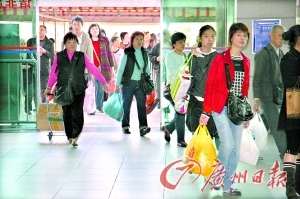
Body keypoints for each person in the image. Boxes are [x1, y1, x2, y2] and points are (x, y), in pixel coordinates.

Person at [199, 22, 251, 195]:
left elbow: (244, 89)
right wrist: (206, 111)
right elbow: (210, 85)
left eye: (245, 35)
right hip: (220, 107)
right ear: (231, 37)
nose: (242, 38)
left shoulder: (246, 61)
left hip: (237, 110)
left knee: (235, 148)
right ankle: (216, 176)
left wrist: (245, 115)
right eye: (239, 34)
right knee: (227, 144)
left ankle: (228, 185)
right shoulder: (220, 59)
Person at [43, 32, 108, 147]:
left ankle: (76, 135)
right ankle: (70, 136)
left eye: (74, 42)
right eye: (69, 42)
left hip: (79, 88)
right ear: (65, 44)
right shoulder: (59, 56)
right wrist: (49, 87)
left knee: (78, 113)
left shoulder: (82, 56)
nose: (72, 44)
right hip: (63, 89)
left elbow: (93, 68)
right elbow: (54, 73)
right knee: (67, 113)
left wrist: (103, 82)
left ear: (77, 43)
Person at [252, 24, 287, 161]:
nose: (281, 38)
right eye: (279, 34)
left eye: (283, 35)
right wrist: (256, 98)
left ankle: (251, 149)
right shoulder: (264, 53)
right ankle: (285, 155)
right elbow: (257, 77)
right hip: (266, 96)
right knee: (278, 125)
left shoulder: (280, 53)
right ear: (271, 36)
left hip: (277, 96)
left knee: (266, 123)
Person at [185, 25, 220, 148]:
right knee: (197, 134)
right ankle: (197, 163)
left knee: (210, 134)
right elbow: (189, 77)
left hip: (212, 103)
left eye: (212, 36)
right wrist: (196, 58)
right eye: (206, 36)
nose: (210, 39)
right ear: (200, 38)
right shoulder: (192, 56)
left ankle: (208, 163)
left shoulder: (218, 57)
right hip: (196, 101)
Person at [278, 25, 300, 199]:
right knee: (292, 149)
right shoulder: (288, 58)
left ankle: (298, 184)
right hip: (294, 108)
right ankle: (289, 188)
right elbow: (290, 82)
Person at [115, 31, 151, 136]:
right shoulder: (127, 53)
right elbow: (121, 70)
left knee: (141, 106)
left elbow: (147, 69)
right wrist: (117, 85)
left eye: (141, 39)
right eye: (137, 39)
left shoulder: (145, 53)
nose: (139, 41)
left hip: (141, 84)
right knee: (126, 106)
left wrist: (150, 83)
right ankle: (125, 126)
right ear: (132, 40)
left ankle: (143, 127)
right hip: (127, 83)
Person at [162, 32, 188, 148]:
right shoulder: (169, 56)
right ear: (174, 44)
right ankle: (180, 140)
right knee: (181, 113)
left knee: (180, 112)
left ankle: (169, 127)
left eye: (184, 41)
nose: (183, 44)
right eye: (180, 42)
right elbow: (172, 73)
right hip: (173, 88)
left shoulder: (185, 56)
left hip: (184, 88)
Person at [88, 23, 115, 113]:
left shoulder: (104, 40)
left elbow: (109, 54)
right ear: (90, 31)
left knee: (100, 88)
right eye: (93, 29)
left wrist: (112, 67)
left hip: (102, 68)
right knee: (91, 87)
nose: (95, 30)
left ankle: (99, 106)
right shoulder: (87, 41)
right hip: (90, 68)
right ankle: (91, 106)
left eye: (96, 28)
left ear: (99, 30)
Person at [70, 16, 94, 115]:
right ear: (72, 25)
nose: (76, 26)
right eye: (74, 24)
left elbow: (90, 56)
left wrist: (90, 72)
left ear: (82, 26)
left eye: (78, 24)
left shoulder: (87, 39)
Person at [39, 25, 54, 103]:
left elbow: (52, 56)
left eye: (41, 30)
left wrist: (45, 51)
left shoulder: (49, 43)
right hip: (33, 69)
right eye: (38, 29)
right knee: (34, 89)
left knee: (44, 89)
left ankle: (45, 107)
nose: (39, 31)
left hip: (44, 69)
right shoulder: (32, 41)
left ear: (45, 31)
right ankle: (34, 107)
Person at [20, 39, 33, 115]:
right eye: (21, 43)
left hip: (29, 76)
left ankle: (27, 109)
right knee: (19, 94)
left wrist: (31, 64)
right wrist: (22, 66)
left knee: (29, 93)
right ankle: (19, 111)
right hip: (20, 77)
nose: (23, 45)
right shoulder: (16, 53)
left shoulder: (29, 52)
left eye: (24, 43)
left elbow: (34, 61)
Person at [148, 38, 161, 109]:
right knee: (159, 88)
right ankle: (159, 102)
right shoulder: (158, 46)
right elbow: (150, 55)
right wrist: (156, 58)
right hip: (159, 71)